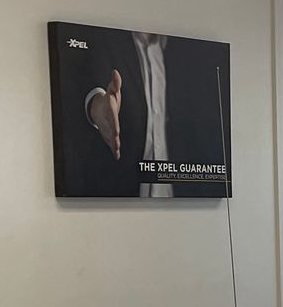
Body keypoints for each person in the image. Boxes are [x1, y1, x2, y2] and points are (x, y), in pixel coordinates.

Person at [71, 29, 228, 198]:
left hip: (183, 198)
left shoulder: (191, 52)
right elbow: (88, 82)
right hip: (115, 198)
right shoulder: (103, 39)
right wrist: (97, 107)